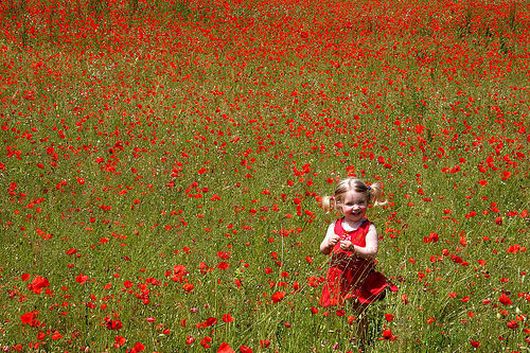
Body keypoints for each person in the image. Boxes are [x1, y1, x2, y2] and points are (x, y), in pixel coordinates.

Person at [318, 178, 394, 349]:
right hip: (337, 276)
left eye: (360, 202)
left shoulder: (368, 227)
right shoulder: (334, 226)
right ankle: (334, 340)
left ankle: (362, 342)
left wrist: (354, 248)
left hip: (359, 278)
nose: (356, 207)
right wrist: (328, 243)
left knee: (360, 313)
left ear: (368, 202)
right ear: (339, 205)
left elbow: (372, 251)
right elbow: (323, 249)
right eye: (350, 203)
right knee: (333, 311)